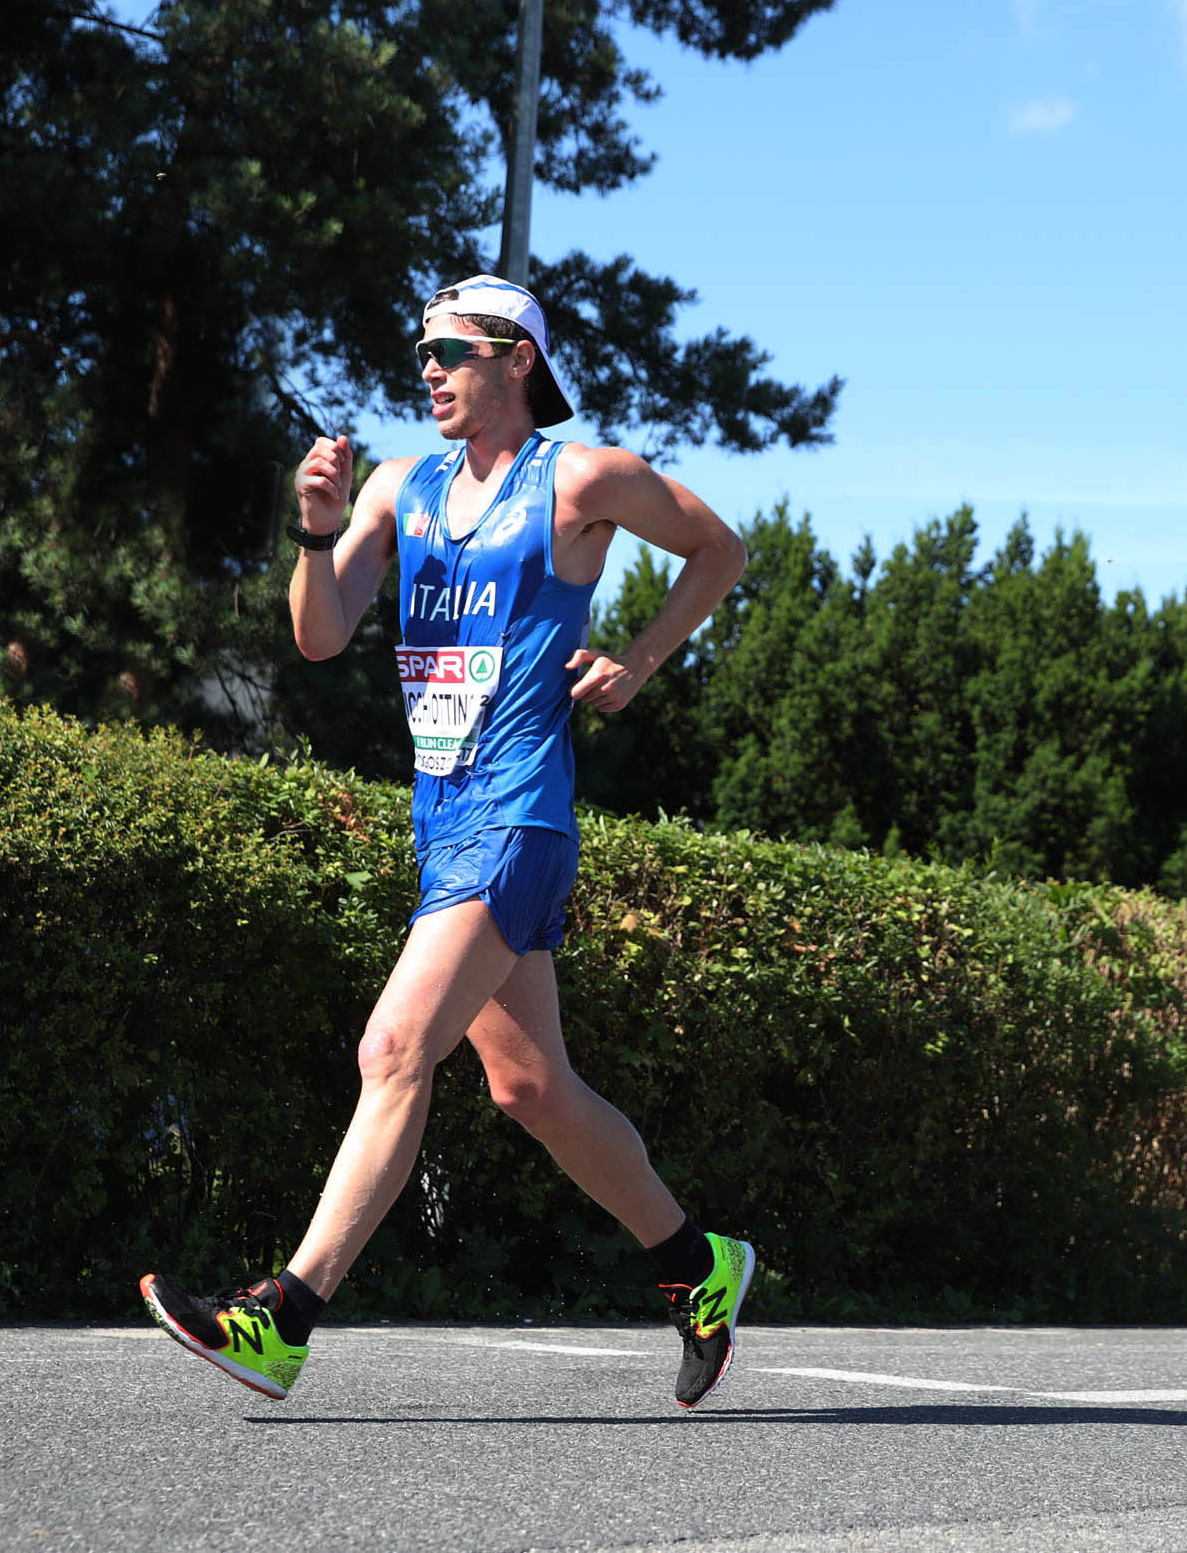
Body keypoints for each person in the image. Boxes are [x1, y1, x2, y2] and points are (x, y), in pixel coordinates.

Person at [140, 275, 757, 1408]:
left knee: (392, 1048)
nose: (428, 368)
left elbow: (719, 549)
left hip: (520, 815)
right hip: (443, 820)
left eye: (452, 350)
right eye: (420, 351)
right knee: (531, 1088)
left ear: (517, 359)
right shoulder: (398, 487)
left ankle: (283, 1317)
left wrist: (638, 661)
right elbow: (320, 634)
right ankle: (695, 1262)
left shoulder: (582, 479)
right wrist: (315, 532)